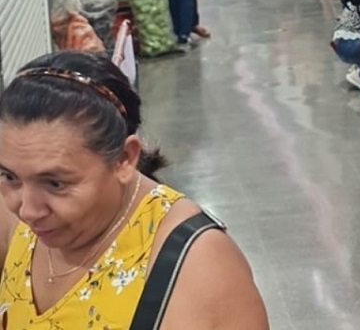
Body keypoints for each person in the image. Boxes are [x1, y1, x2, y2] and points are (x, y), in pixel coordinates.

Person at [0, 51, 268, 328]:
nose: (28, 211)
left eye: (55, 184)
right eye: (9, 176)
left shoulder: (198, 267)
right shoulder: (14, 218)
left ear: (125, 159)